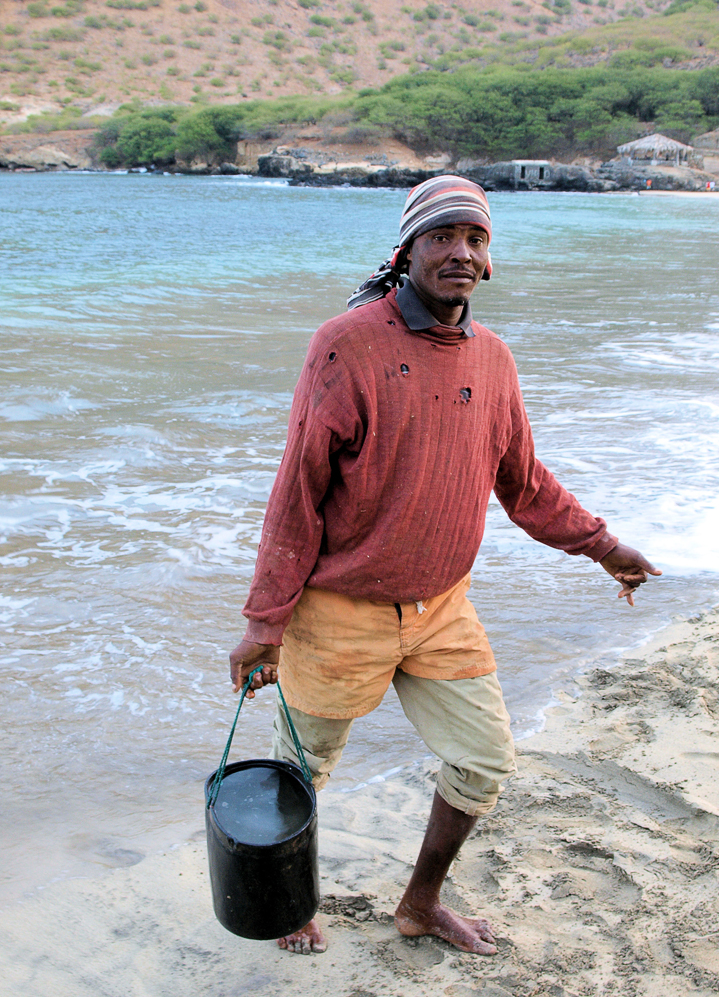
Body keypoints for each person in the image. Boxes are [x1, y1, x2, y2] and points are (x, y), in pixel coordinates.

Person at [228, 176, 661, 957]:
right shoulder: (347, 344)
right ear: (408, 250)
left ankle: (421, 903)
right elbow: (297, 490)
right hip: (338, 612)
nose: (460, 252)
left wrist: (604, 547)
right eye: (442, 237)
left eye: (476, 240)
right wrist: (265, 623)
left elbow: (523, 483)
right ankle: (288, 900)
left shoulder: (493, 360)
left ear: (488, 260)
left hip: (442, 610)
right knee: (302, 769)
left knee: (484, 757)